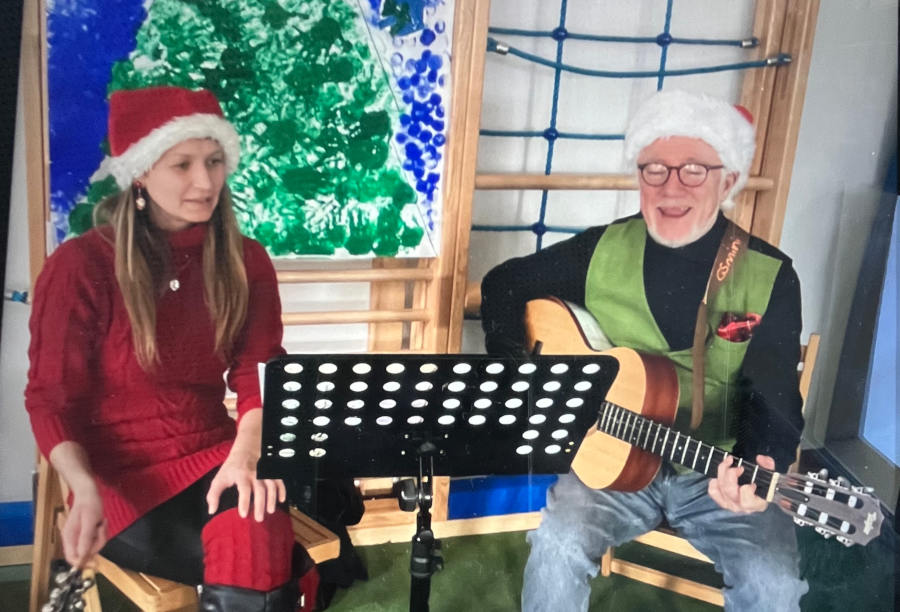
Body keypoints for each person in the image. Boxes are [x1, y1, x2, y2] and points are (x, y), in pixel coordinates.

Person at [480, 90, 809, 611]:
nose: (671, 187)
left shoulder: (770, 274)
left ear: (727, 180)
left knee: (773, 587)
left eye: (694, 170)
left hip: (715, 470)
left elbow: (775, 395)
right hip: (612, 466)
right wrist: (521, 373)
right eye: (654, 169)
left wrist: (756, 462)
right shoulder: (599, 249)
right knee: (557, 546)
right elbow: (501, 285)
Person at [25, 86, 315, 611]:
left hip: (218, 455)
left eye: (214, 161)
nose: (205, 182)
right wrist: (82, 487)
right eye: (182, 165)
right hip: (119, 480)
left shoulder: (246, 259)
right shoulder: (80, 265)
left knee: (256, 526)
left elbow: (259, 372)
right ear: (140, 171)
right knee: (263, 550)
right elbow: (50, 400)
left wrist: (247, 454)